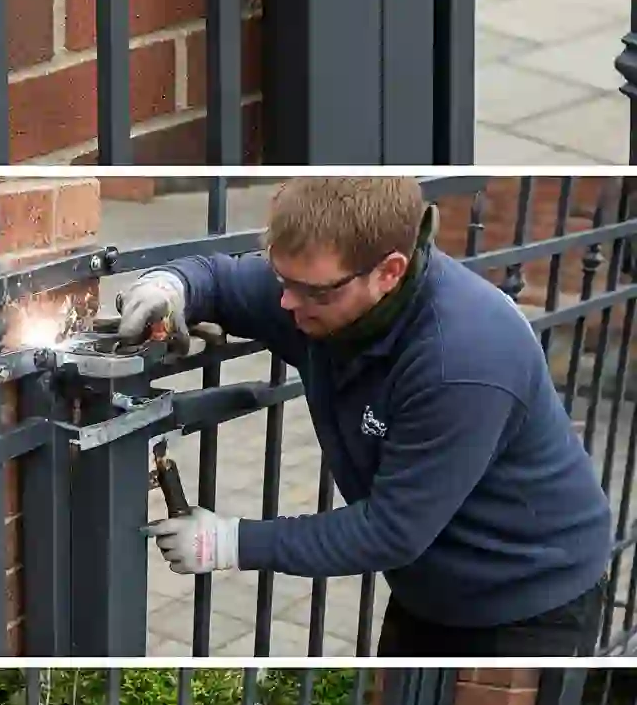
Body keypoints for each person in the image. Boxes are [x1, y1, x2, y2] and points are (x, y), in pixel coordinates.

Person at [118, 176, 614, 657]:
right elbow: (219, 277)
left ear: (389, 272)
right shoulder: (322, 285)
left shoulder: (460, 360)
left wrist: (227, 542)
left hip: (530, 597)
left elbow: (390, 530)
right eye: (282, 279)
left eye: (313, 292)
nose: (288, 303)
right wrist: (169, 287)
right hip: (432, 581)